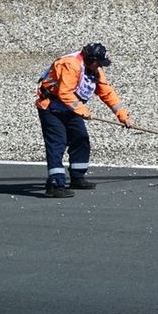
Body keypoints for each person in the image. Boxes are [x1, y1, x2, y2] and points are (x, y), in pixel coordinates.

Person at [34, 43, 133, 198]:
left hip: (70, 109)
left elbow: (107, 92)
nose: (100, 67)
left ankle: (77, 177)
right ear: (91, 59)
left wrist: (123, 115)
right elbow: (64, 93)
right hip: (51, 107)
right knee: (57, 143)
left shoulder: (95, 70)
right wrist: (83, 111)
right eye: (99, 63)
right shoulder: (70, 65)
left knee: (81, 139)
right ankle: (55, 184)